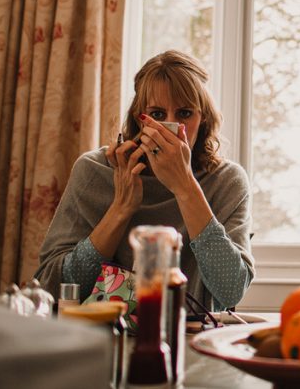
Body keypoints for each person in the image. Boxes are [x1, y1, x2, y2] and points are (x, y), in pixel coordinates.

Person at [35, 50, 254, 311]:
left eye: (185, 113)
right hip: (100, 335)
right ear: (140, 118)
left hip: (185, 336)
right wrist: (121, 208)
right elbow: (51, 285)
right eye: (158, 115)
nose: (170, 127)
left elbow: (230, 291)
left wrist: (185, 187)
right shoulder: (94, 171)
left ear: (202, 118)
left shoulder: (226, 181)